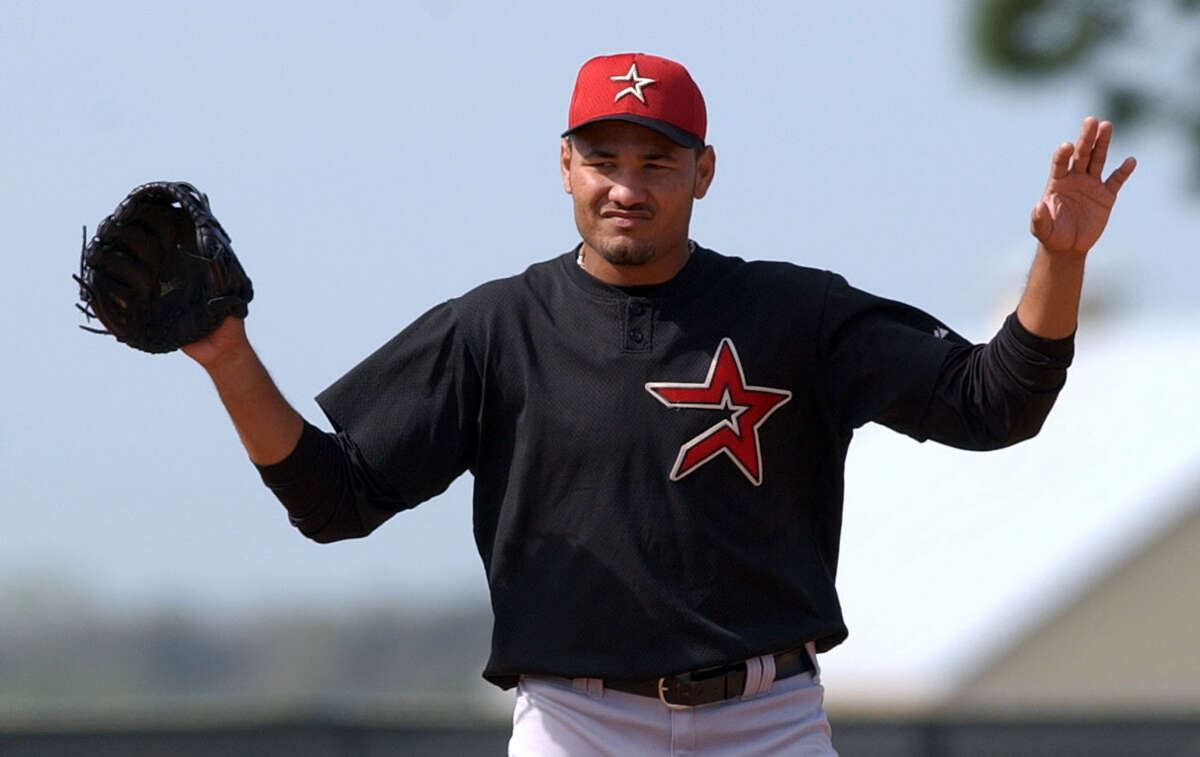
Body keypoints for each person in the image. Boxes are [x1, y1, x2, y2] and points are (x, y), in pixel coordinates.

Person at [182, 53, 1136, 755]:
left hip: (769, 721)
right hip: (576, 723)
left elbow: (992, 403)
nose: (626, 186)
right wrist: (227, 356)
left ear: (703, 172)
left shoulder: (791, 312)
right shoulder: (496, 328)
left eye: (657, 162)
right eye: (603, 158)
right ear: (564, 166)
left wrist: (1059, 260)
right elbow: (333, 498)